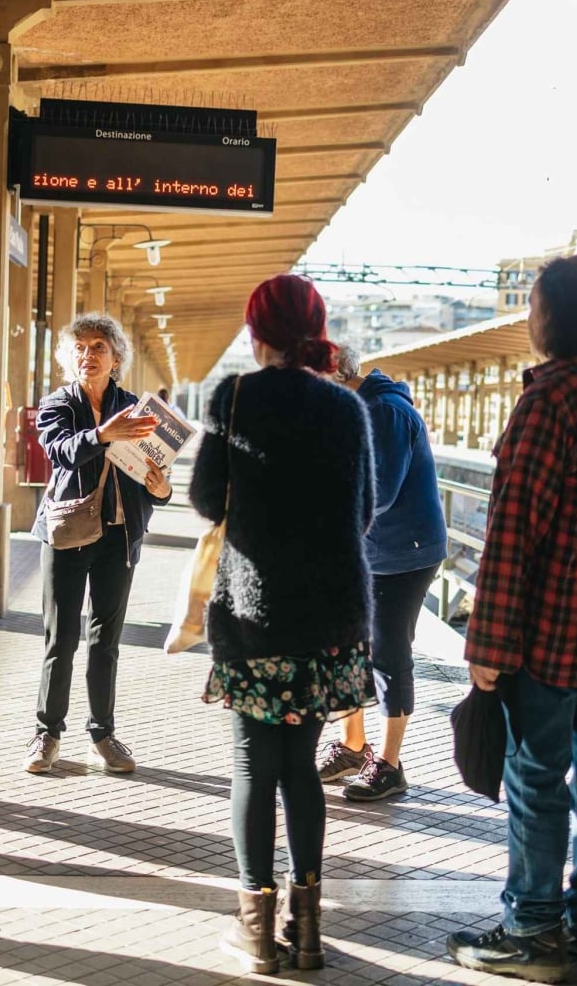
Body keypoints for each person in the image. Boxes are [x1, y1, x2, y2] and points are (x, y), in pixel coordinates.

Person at [446, 256, 577, 983]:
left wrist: (488, 641)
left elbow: (512, 533)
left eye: (533, 304)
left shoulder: (549, 402)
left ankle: (533, 927)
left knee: (538, 776)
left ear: (553, 316)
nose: (530, 315)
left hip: (550, 632)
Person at [189, 274, 375, 974]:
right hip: (329, 621)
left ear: (255, 331)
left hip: (255, 614)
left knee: (252, 764)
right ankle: (309, 932)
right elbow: (366, 513)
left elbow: (208, 498)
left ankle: (256, 932)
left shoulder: (235, 397)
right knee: (301, 766)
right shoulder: (346, 409)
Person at [25, 314, 173, 775]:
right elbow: (62, 451)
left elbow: (153, 478)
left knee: (105, 639)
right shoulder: (57, 405)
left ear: (115, 359)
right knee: (61, 637)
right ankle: (47, 732)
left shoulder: (136, 407)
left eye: (98, 348)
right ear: (69, 357)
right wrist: (104, 434)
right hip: (69, 533)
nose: (88, 355)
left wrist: (162, 489)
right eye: (80, 347)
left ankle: (102, 735)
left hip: (120, 536)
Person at [317, 345, 446, 802]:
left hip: (405, 554)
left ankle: (390, 766)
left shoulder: (387, 413)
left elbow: (380, 493)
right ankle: (354, 746)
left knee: (388, 654)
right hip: (366, 550)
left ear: (335, 373)